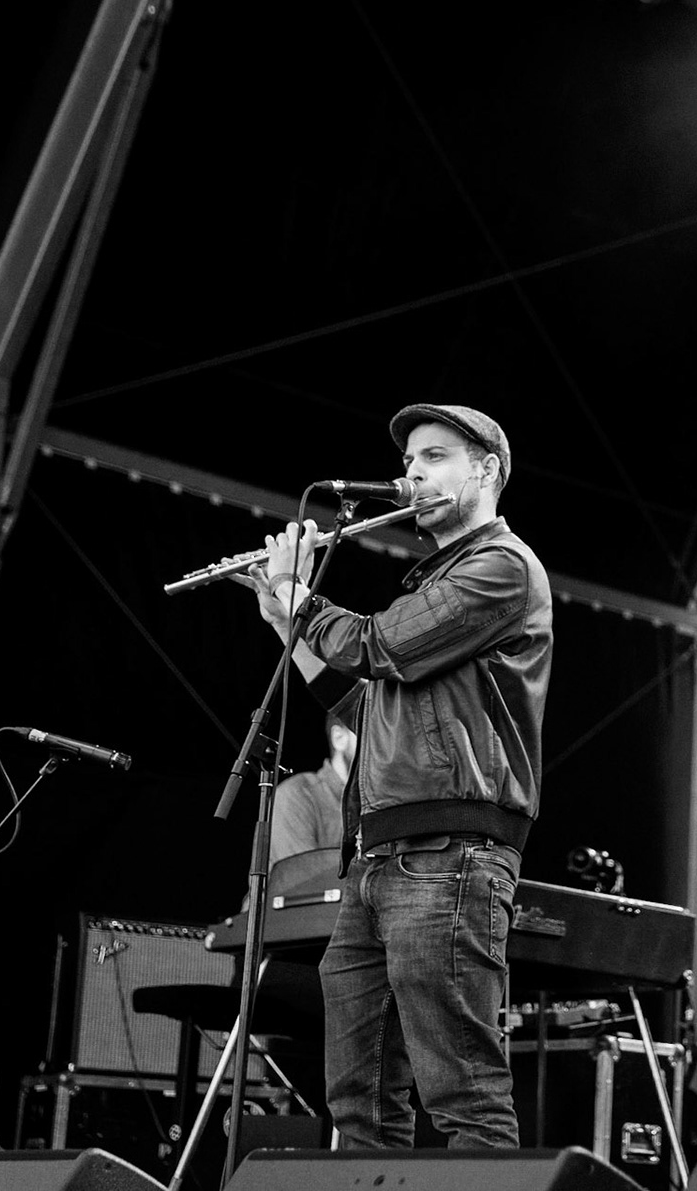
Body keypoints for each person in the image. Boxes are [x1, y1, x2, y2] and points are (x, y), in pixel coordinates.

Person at [248, 403, 552, 1148]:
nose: (413, 473)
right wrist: (289, 628)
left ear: (487, 471)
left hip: (450, 855)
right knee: (358, 1106)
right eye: (411, 461)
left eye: (436, 456)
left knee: (463, 1097)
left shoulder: (501, 568)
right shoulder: (433, 583)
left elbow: (380, 644)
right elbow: (366, 702)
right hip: (378, 860)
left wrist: (304, 601)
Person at [270, 709, 355, 867]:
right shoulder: (297, 795)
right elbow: (303, 877)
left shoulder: (384, 800)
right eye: (373, 736)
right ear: (339, 738)